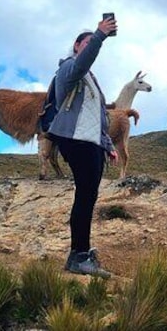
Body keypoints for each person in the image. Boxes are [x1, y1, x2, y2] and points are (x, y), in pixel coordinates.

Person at [47, 15, 119, 278]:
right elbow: (82, 64)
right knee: (85, 196)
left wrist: (108, 144)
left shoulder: (91, 80)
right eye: (86, 42)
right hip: (74, 140)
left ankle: (82, 252)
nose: (90, 45)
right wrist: (99, 35)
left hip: (92, 142)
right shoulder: (68, 69)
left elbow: (98, 115)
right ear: (77, 47)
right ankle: (78, 256)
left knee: (88, 197)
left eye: (92, 41)